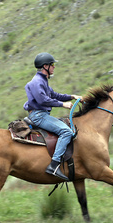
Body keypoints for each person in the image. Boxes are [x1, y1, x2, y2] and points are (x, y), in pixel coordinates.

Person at [24, 52, 82, 181]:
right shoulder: (37, 82)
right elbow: (42, 100)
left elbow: (55, 95)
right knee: (66, 132)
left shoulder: (42, 81)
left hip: (41, 114)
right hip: (38, 116)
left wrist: (72, 96)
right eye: (52, 65)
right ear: (45, 66)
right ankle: (54, 165)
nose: (54, 67)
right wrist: (63, 105)